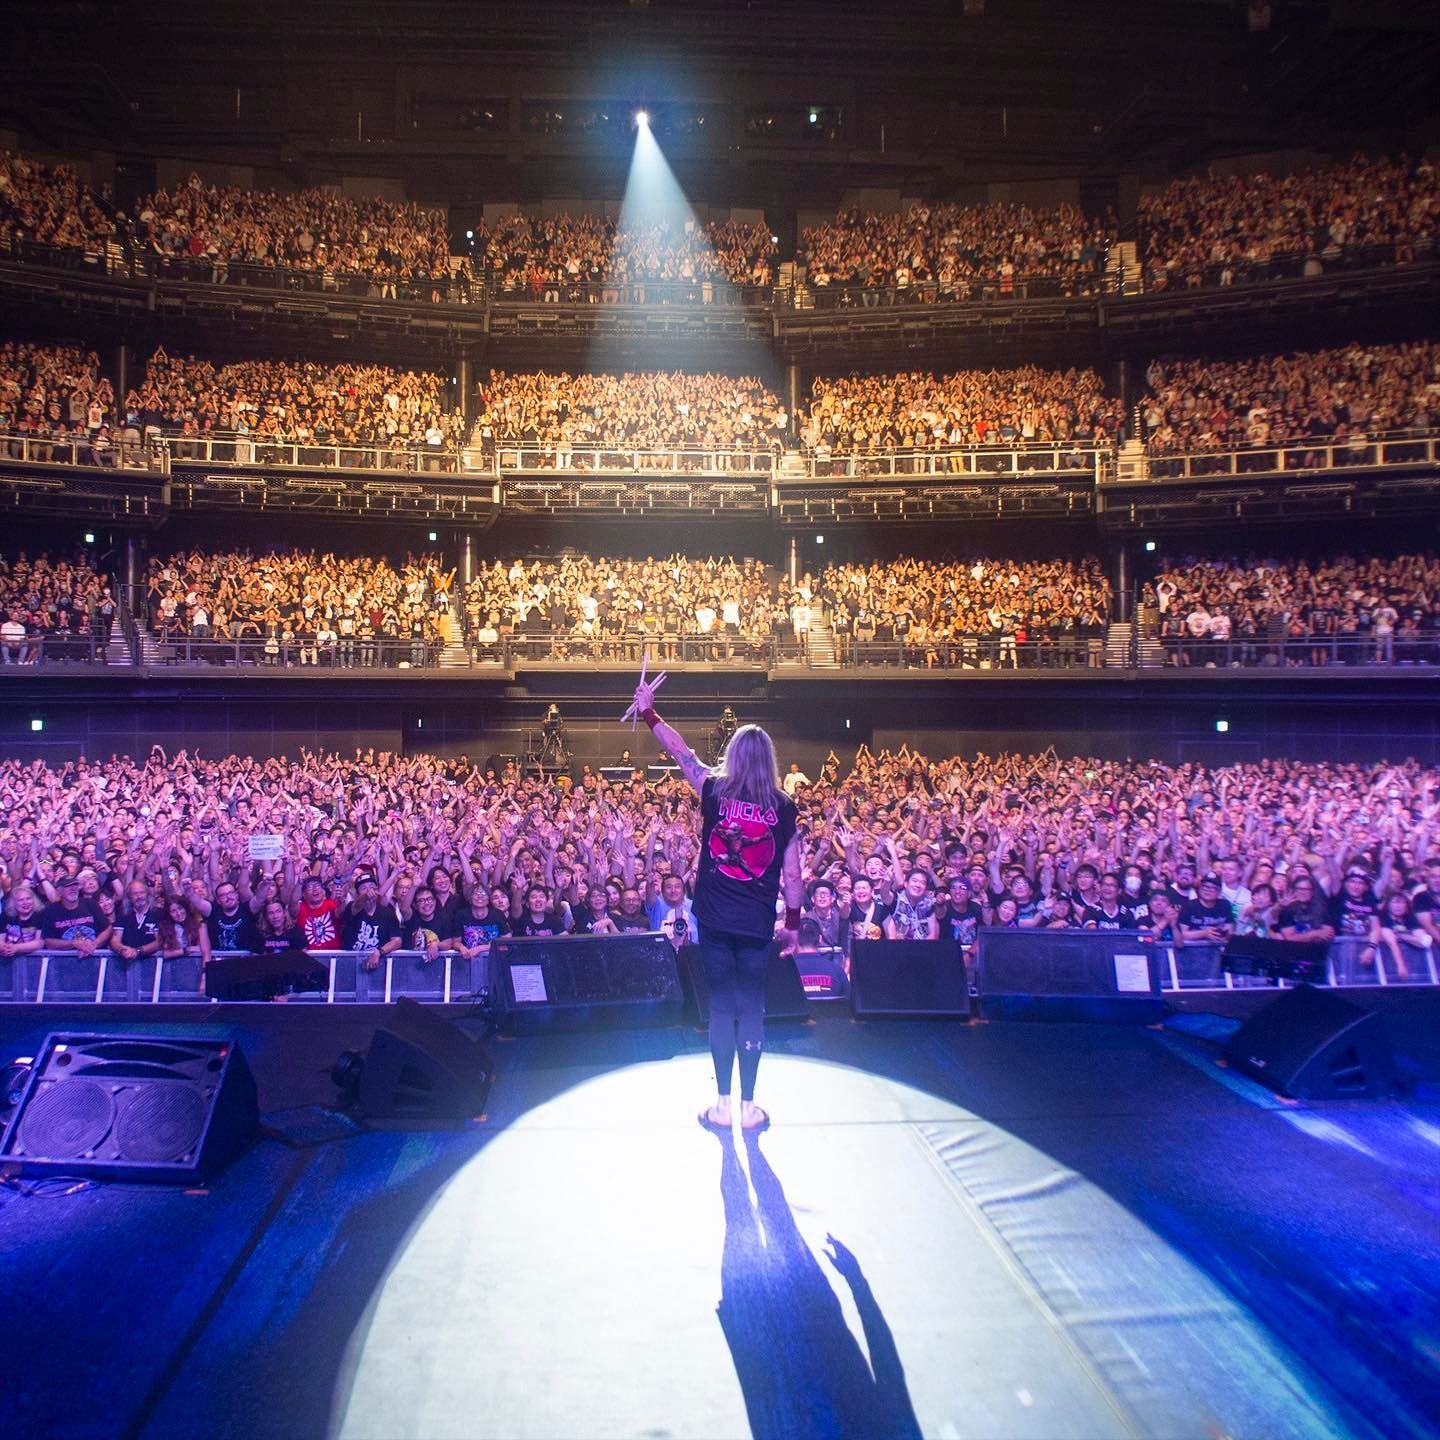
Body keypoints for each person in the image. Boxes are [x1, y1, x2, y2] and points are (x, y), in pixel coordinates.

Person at [631, 672, 801, 1133]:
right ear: (769, 759)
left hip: (716, 920)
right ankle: (749, 1108)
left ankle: (723, 1105)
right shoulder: (784, 806)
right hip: (757, 922)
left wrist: (648, 711)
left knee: (723, 1007)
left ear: (733, 756)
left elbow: (679, 752)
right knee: (753, 1007)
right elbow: (792, 874)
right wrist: (794, 924)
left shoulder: (714, 788)